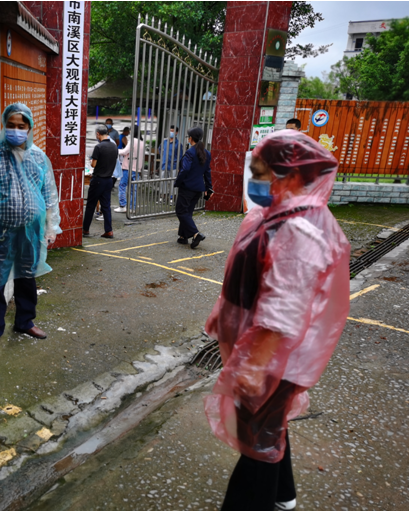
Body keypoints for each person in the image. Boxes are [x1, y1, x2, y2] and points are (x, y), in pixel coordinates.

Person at [204, 130, 350, 511]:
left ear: (294, 174)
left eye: (262, 171)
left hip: (275, 360)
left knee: (256, 445)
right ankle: (283, 496)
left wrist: (253, 367)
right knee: (268, 429)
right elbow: (244, 277)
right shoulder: (268, 216)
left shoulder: (300, 231)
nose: (254, 179)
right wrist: (223, 315)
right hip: (260, 352)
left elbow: (284, 309)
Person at [0, 103, 61, 355]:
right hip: (1, 231)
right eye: (10, 125)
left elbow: (49, 194)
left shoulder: (39, 157)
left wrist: (50, 226)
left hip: (31, 232)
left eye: (21, 126)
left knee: (26, 277)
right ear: (4, 125)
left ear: (29, 128)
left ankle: (25, 322)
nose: (15, 130)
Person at [174, 127, 213, 248]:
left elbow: (185, 169)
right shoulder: (206, 153)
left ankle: (195, 234)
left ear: (190, 138)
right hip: (198, 189)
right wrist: (208, 187)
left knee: (180, 211)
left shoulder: (190, 152)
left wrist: (178, 182)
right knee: (187, 212)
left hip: (187, 188)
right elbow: (207, 171)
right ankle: (183, 236)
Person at [83, 125, 118, 238]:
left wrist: (91, 160)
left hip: (98, 179)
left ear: (98, 134)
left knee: (91, 205)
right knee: (106, 206)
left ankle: (85, 229)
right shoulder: (114, 146)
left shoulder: (99, 147)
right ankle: (109, 230)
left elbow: (93, 164)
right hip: (109, 179)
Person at [115, 125, 145, 213]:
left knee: (122, 186)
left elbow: (124, 152)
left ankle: (122, 205)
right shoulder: (142, 142)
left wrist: (115, 150)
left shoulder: (133, 141)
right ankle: (132, 208)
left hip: (128, 167)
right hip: (137, 169)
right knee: (133, 189)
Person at [159, 125, 183, 203]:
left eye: (172, 131)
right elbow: (160, 150)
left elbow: (180, 156)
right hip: (164, 164)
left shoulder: (178, 144)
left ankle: (172, 198)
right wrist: (163, 158)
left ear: (176, 133)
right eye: (170, 130)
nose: (171, 132)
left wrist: (179, 166)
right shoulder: (165, 142)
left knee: (173, 182)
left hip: (174, 166)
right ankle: (163, 196)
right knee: (163, 181)